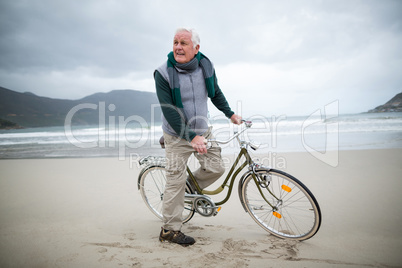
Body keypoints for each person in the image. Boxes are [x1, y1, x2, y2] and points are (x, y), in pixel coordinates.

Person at [154, 27, 242, 246]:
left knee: (216, 167)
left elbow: (215, 93)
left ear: (196, 48)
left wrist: (230, 113)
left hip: (203, 131)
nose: (177, 47)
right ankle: (169, 230)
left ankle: (188, 190)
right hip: (176, 135)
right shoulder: (163, 72)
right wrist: (191, 137)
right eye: (175, 42)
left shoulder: (205, 65)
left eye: (183, 43)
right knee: (174, 182)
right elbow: (170, 111)